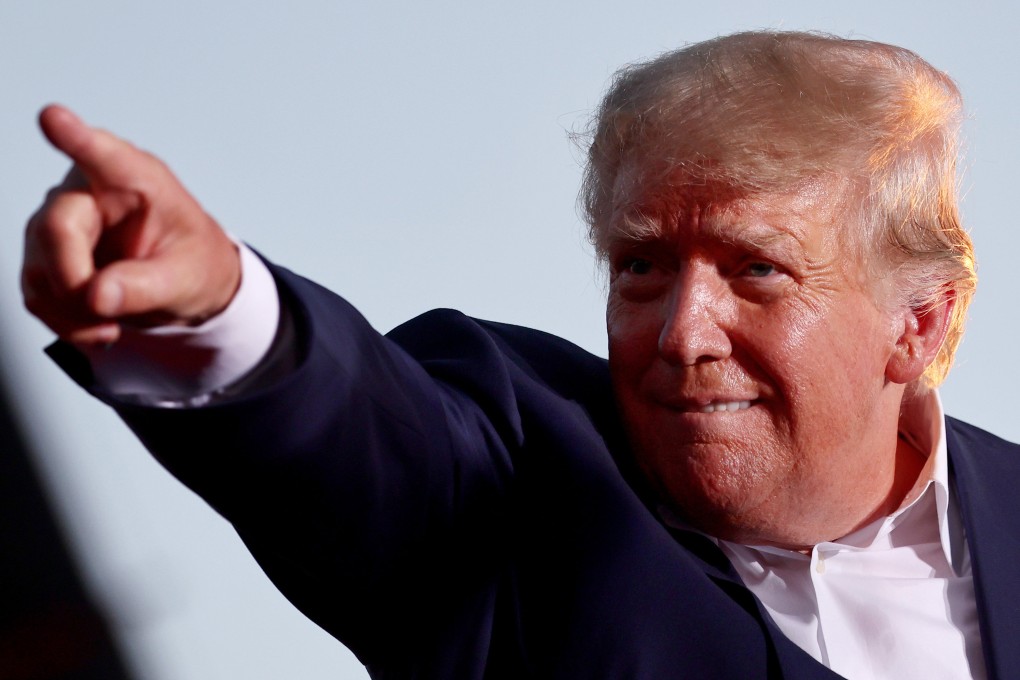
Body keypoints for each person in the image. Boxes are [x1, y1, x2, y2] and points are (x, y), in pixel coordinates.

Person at [21, 30, 1016, 679]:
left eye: (756, 269)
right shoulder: (526, 470)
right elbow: (372, 445)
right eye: (640, 264)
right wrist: (216, 307)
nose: (680, 331)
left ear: (919, 323)